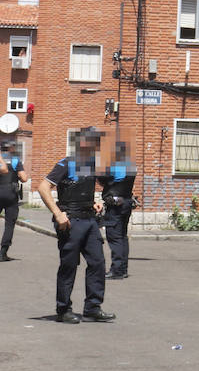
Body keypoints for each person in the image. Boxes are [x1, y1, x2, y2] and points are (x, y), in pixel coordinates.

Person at [34, 128, 115, 323]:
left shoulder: (91, 166)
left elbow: (80, 190)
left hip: (89, 221)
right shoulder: (67, 163)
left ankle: (93, 307)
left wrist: (92, 202)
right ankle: (63, 310)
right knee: (69, 265)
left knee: (97, 263)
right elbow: (43, 187)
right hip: (71, 222)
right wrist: (58, 213)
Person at [101, 142, 137, 279]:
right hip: (126, 202)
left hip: (116, 205)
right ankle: (123, 269)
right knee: (122, 237)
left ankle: (116, 270)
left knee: (114, 236)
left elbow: (103, 179)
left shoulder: (116, 167)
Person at [0, 139, 28, 261]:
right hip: (11, 194)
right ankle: (3, 253)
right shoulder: (16, 159)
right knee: (9, 224)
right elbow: (24, 178)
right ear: (12, 148)